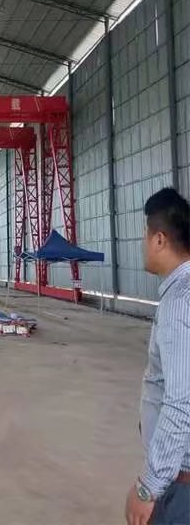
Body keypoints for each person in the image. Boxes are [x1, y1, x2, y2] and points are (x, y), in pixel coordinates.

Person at [125, 188, 190, 525]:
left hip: (182, 485)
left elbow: (180, 402)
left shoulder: (180, 301)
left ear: (160, 240)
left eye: (144, 235)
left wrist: (148, 487)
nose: (143, 244)